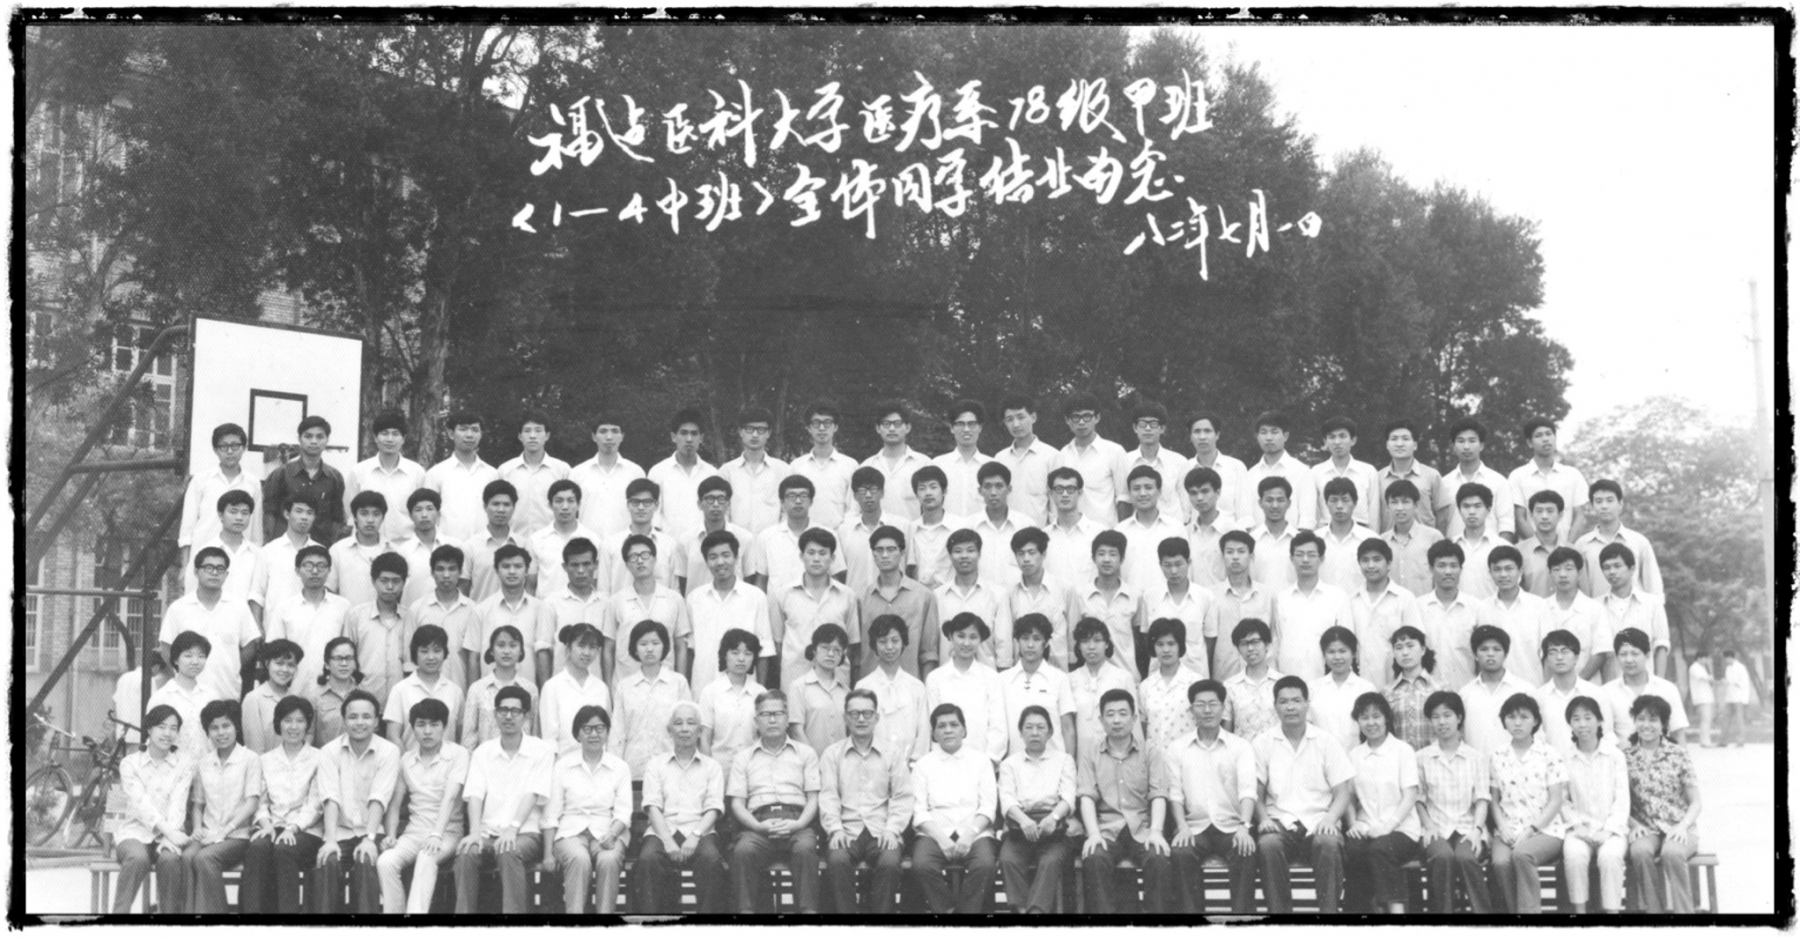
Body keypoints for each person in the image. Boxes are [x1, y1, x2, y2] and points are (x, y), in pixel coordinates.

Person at [1252, 675, 1352, 913]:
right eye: (1284, 701)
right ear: (1275, 706)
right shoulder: (1263, 742)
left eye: (1296, 701)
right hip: (1280, 821)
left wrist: (1330, 819)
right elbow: (1255, 792)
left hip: (1319, 819)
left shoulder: (1326, 742)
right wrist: (1263, 819)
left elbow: (1343, 792)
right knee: (1268, 844)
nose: (1290, 707)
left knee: (1328, 843)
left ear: (1307, 704)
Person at [455, 684, 555, 914]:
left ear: (526, 716)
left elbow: (533, 793)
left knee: (508, 850)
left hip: (525, 833)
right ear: (495, 714)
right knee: (466, 852)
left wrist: (513, 828)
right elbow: (474, 794)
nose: (508, 716)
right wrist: (474, 832)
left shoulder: (541, 750)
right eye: (503, 710)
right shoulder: (483, 752)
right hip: (488, 833)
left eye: (515, 711)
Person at [1163, 678, 1258, 914]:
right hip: (1194, 827)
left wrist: (1244, 826)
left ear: (1223, 708)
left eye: (1213, 704)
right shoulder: (1177, 748)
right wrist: (1182, 827)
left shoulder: (1240, 746)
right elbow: (1175, 794)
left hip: (1232, 826)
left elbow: (1248, 790)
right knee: (1181, 852)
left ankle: (1241, 922)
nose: (1207, 710)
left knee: (1245, 849)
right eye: (1200, 704)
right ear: (1191, 710)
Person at [1077, 689, 1173, 914]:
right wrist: (1093, 834)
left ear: (1134, 717)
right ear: (1101, 720)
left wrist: (1156, 831)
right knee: (1094, 858)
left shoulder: (1150, 752)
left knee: (1158, 858)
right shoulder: (1090, 752)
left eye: (1123, 713)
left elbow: (1158, 794)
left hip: (1142, 828)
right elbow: (1087, 796)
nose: (1116, 720)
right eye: (1110, 714)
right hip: (1107, 829)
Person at [727, 689, 823, 914]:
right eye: (765, 714)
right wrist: (757, 826)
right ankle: (746, 915)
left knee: (806, 849)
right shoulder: (743, 758)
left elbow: (813, 799)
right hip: (758, 825)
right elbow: (737, 804)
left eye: (778, 713)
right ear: (756, 720)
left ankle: (808, 916)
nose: (772, 720)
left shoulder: (806, 753)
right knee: (743, 851)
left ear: (787, 718)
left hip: (797, 822)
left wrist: (799, 824)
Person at [819, 688, 914, 914]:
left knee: (890, 863)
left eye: (867, 713)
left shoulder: (892, 753)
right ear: (845, 718)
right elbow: (829, 796)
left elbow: (902, 796)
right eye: (854, 714)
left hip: (881, 830)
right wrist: (835, 829)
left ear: (876, 717)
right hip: (846, 829)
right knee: (837, 861)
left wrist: (892, 829)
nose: (861, 719)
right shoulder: (832, 754)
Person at [375, 698, 470, 915]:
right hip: (414, 832)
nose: (427, 731)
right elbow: (395, 804)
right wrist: (391, 835)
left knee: (426, 858)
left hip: (447, 833)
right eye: (421, 724)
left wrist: (436, 834)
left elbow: (450, 797)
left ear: (444, 727)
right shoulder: (406, 760)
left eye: (434, 725)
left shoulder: (458, 754)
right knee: (386, 861)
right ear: (413, 727)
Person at [635, 701, 728, 914]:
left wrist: (695, 835)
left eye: (691, 723)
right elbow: (652, 806)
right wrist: (667, 840)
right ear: (669, 730)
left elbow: (714, 807)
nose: (685, 729)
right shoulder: (656, 765)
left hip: (700, 831)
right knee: (648, 860)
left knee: (711, 860)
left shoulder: (711, 767)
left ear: (700, 731)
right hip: (662, 831)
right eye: (678, 723)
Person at [315, 688, 401, 914]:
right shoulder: (329, 751)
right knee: (327, 860)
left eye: (366, 717)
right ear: (344, 721)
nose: (359, 722)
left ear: (376, 721)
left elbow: (379, 797)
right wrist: (330, 840)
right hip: (339, 831)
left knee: (366, 859)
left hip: (372, 830)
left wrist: (370, 838)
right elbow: (330, 797)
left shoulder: (389, 751)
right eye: (353, 717)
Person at [543, 704, 634, 914]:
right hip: (571, 833)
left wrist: (613, 834)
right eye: (587, 729)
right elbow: (551, 814)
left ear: (607, 733)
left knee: (609, 860)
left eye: (600, 728)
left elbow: (623, 812)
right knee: (579, 859)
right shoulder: (563, 766)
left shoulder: (620, 767)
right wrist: (548, 854)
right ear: (577, 734)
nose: (594, 734)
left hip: (608, 830)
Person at [911, 703, 1002, 913]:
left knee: (985, 865)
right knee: (922, 865)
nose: (948, 730)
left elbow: (988, 806)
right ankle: (947, 909)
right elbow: (919, 810)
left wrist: (970, 834)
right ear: (934, 734)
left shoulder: (981, 761)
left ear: (964, 730)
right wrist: (942, 840)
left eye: (954, 724)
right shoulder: (923, 765)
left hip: (974, 831)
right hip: (935, 833)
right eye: (941, 726)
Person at [242, 696, 325, 914]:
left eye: (300, 721)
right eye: (288, 720)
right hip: (273, 826)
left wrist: (292, 828)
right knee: (257, 848)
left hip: (306, 830)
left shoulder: (319, 758)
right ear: (278, 723)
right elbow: (261, 801)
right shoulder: (265, 760)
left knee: (284, 849)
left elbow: (315, 804)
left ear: (307, 725)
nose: (293, 727)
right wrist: (266, 824)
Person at [1486, 693, 1567, 913]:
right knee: (1500, 863)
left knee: (1522, 854)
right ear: (1504, 721)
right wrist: (1502, 827)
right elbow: (1494, 800)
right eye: (1511, 717)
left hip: (1545, 830)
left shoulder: (1549, 754)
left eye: (1524, 717)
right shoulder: (1497, 756)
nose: (1518, 722)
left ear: (1535, 721)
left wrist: (1531, 830)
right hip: (1508, 829)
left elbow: (1556, 801)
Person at [1341, 692, 1420, 915]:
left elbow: (1410, 795)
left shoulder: (1403, 750)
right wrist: (1353, 823)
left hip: (1402, 830)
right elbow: (1348, 796)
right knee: (1353, 851)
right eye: (1364, 717)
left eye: (1376, 716)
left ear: (1387, 718)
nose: (1371, 722)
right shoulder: (1355, 755)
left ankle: (1395, 911)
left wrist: (1387, 827)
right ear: (1358, 721)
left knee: (1380, 849)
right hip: (1366, 827)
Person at [1414, 691, 1492, 913]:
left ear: (1459, 718)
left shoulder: (1476, 757)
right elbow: (1418, 800)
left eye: (1447, 715)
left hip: (1468, 827)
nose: (1442, 722)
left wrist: (1477, 830)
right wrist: (1428, 825)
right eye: (1435, 717)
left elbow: (1482, 799)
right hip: (1435, 827)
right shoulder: (1422, 757)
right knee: (1442, 856)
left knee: (1465, 857)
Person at [1623, 695, 1703, 913]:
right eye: (1641, 719)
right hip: (1645, 828)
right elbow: (1618, 801)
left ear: (1664, 724)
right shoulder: (1625, 757)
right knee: (1640, 852)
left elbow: (1696, 802)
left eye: (1653, 720)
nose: (1646, 725)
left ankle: (1684, 915)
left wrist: (1683, 826)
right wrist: (1633, 824)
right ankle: (1654, 913)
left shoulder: (1678, 754)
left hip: (1679, 827)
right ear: (1634, 721)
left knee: (1672, 853)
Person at [998, 705, 1078, 914]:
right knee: (1008, 860)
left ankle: (1035, 912)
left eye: (1041, 727)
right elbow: (1006, 798)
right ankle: (1023, 911)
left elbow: (1068, 796)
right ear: (1020, 732)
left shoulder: (1064, 760)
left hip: (1054, 827)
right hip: (1020, 826)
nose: (1035, 733)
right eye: (1029, 727)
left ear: (1050, 732)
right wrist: (1023, 820)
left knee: (1050, 862)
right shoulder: (1009, 764)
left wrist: (1054, 817)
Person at [112, 704, 192, 913]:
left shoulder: (183, 764)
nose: (167, 733)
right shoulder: (130, 764)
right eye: (161, 727)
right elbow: (141, 805)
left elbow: (178, 803)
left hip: (170, 834)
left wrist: (169, 837)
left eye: (173, 728)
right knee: (137, 858)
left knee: (170, 860)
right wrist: (169, 832)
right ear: (149, 729)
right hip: (134, 832)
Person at [159, 547, 260, 702]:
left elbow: (251, 645)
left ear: (226, 574)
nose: (214, 573)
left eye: (220, 569)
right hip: (188, 696)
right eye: (208, 568)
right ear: (196, 572)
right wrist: (181, 674)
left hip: (227, 695)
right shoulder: (178, 608)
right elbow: (166, 648)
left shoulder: (238, 607)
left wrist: (233, 666)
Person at [1560, 695, 1629, 914]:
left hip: (1612, 829)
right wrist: (1576, 825)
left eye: (1588, 718)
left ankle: (1612, 913)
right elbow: (1562, 799)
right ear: (1570, 724)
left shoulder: (1615, 756)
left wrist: (1609, 830)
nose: (1582, 724)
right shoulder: (1565, 758)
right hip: (1579, 828)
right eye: (1576, 719)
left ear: (1599, 721)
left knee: (1610, 857)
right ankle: (1580, 913)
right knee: (1575, 857)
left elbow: (1622, 798)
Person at [768, 525, 859, 687]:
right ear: (801, 556)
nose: (816, 559)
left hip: (836, 681)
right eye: (811, 553)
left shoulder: (847, 595)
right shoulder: (783, 594)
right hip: (794, 679)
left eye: (823, 553)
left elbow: (852, 644)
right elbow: (778, 644)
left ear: (833, 558)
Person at [687, 533, 775, 692]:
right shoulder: (695, 598)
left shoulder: (755, 597)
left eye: (726, 555)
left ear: (736, 558)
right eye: (713, 557)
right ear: (706, 561)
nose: (720, 562)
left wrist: (759, 692)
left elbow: (764, 649)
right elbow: (690, 649)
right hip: (703, 686)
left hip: (745, 690)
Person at [612, 619, 695, 780]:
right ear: (635, 649)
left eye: (655, 643)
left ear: (664, 646)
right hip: (634, 771)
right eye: (643, 644)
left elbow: (688, 729)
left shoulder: (678, 683)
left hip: (672, 770)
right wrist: (616, 774)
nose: (649, 649)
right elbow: (617, 734)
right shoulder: (625, 687)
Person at [923, 612, 1008, 764]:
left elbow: (998, 726)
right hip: (945, 764)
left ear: (980, 640)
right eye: (961, 636)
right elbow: (933, 725)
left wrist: (988, 762)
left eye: (973, 637)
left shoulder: (991, 677)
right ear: (950, 636)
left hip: (983, 763)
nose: (967, 643)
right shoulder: (935, 678)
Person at [466, 544, 554, 689]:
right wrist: (473, 695)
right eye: (506, 566)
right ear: (497, 570)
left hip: (528, 692)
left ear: (527, 570)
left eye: (518, 566)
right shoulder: (481, 610)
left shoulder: (540, 608)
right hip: (490, 693)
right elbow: (473, 658)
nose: (512, 571)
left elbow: (543, 657)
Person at [606, 533, 691, 684]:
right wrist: (609, 689)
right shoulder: (615, 602)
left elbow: (681, 647)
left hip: (666, 685)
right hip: (626, 684)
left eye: (645, 555)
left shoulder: (675, 599)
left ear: (654, 559)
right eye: (633, 557)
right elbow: (608, 649)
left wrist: (680, 683)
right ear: (626, 564)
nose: (640, 561)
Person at [859, 525, 940, 679]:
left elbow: (929, 653)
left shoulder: (923, 596)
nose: (885, 555)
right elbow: (859, 652)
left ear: (902, 553)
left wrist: (926, 688)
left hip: (910, 683)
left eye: (891, 549)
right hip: (871, 685)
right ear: (873, 554)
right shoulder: (863, 597)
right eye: (879, 550)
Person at [179, 422, 263, 570]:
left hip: (241, 561)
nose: (230, 451)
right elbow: (187, 529)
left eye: (235, 446)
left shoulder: (253, 483)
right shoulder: (200, 480)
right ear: (215, 450)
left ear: (244, 448)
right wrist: (185, 567)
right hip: (204, 562)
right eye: (224, 446)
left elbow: (256, 531)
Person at [1273, 532, 1354, 681]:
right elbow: (1277, 642)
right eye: (1299, 555)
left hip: (1327, 681)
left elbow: (1347, 642)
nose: (1305, 560)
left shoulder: (1337, 597)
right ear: (1291, 559)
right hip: (1289, 679)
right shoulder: (1282, 598)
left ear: (1321, 559)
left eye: (1311, 555)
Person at [340, 551, 415, 709]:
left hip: (401, 703)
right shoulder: (356, 616)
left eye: (396, 581)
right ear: (373, 581)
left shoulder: (410, 617)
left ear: (404, 583)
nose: (390, 587)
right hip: (364, 701)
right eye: (384, 580)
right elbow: (346, 657)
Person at [856, 614, 932, 763]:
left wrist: (915, 764)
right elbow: (859, 730)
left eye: (895, 640)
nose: (889, 647)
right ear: (874, 645)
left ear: (903, 643)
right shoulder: (863, 687)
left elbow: (923, 732)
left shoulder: (916, 687)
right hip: (873, 765)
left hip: (910, 766)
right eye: (882, 641)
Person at [263, 415, 348, 546]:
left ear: (327, 440)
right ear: (299, 439)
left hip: (321, 548)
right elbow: (269, 514)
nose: (314, 441)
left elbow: (338, 519)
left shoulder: (334, 477)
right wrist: (270, 545)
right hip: (285, 549)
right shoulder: (281, 474)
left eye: (320, 437)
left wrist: (332, 546)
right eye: (308, 436)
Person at [345, 411, 428, 543]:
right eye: (384, 433)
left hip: (405, 545)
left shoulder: (417, 472)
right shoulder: (359, 471)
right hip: (369, 545)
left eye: (395, 434)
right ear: (375, 437)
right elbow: (349, 512)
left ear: (403, 439)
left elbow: (423, 511)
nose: (390, 439)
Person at [1000, 614, 1077, 757]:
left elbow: (1068, 728)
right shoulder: (1002, 679)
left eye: (1036, 639)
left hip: (1054, 762)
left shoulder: (1059, 678)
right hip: (1015, 763)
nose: (1030, 645)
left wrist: (1070, 764)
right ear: (1017, 641)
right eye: (1025, 638)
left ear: (1046, 643)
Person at [936, 529, 1013, 670]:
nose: (964, 556)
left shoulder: (997, 594)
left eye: (970, 550)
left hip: (986, 674)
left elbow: (1004, 643)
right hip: (947, 675)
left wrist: (1002, 675)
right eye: (958, 551)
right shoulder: (938, 595)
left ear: (979, 554)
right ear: (950, 556)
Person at [1348, 537, 1423, 683]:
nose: (1371, 565)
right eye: (1365, 560)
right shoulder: (1351, 600)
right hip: (1360, 682)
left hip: (1397, 682)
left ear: (1388, 563)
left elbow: (1415, 643)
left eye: (1377, 560)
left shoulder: (1404, 598)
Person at [1208, 530, 1279, 681]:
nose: (1235, 557)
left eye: (1241, 551)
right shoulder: (1211, 595)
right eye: (1229, 552)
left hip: (1262, 676)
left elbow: (1274, 635)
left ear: (1251, 556)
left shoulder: (1267, 595)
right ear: (1223, 556)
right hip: (1225, 675)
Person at [1008, 527, 1083, 669]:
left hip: (1058, 670)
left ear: (1043, 554)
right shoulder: (1011, 593)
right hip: (1022, 671)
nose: (1026, 559)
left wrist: (1072, 665)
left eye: (1032, 553)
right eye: (1020, 554)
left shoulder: (1065, 589)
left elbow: (1073, 636)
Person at [1576, 480, 1663, 599]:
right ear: (1592, 506)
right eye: (1598, 501)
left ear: (1620, 504)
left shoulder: (1639, 542)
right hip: (1598, 609)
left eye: (1610, 500)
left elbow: (1654, 587)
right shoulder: (1582, 545)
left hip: (1634, 609)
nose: (1604, 506)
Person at [1457, 625, 1536, 756]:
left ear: (1505, 654)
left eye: (1497, 649)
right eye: (1484, 649)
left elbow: (1537, 734)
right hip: (1477, 765)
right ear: (1475, 655)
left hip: (1515, 765)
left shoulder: (1524, 690)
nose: (1490, 654)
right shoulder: (1465, 693)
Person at [382, 625, 464, 751]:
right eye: (424, 651)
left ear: (445, 653)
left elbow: (460, 736)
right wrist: (408, 761)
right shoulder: (400, 690)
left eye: (437, 651)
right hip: (410, 761)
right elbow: (393, 736)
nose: (431, 657)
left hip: (448, 762)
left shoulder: (455, 691)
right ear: (415, 653)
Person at [422, 410, 500, 542]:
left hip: (485, 546)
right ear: (451, 434)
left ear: (481, 435)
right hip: (448, 547)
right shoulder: (436, 473)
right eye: (463, 429)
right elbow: (428, 513)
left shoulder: (492, 474)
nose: (469, 435)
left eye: (475, 430)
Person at [699, 629, 769, 775]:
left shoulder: (760, 692)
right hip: (719, 768)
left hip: (753, 768)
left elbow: (765, 735)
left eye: (748, 653)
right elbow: (705, 737)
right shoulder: (710, 691)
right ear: (725, 655)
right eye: (735, 653)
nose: (741, 659)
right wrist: (709, 771)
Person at [567, 411, 646, 540]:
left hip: (626, 544)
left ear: (622, 436)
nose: (609, 437)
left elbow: (643, 511)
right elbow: (570, 514)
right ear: (594, 436)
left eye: (615, 431)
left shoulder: (636, 472)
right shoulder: (577, 473)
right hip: (588, 546)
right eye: (603, 431)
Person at [1601, 628, 1688, 744]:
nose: (1629, 660)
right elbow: (1604, 736)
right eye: (1623, 654)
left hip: (1661, 754)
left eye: (1635, 654)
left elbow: (1678, 733)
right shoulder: (1606, 693)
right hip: (1621, 755)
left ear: (1647, 655)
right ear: (1616, 657)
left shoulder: (1667, 689)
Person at [538, 623, 612, 759]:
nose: (587, 652)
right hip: (564, 764)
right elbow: (549, 739)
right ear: (568, 648)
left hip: (597, 765)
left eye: (592, 647)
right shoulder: (552, 687)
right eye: (581, 646)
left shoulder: (601, 688)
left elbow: (607, 734)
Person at [1508, 417, 1589, 541]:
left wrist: (1568, 547)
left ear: (1555, 438)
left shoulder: (1573, 475)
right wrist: (1538, 547)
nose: (1545, 439)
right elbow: (1519, 518)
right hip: (1529, 550)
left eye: (1549, 434)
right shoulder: (1517, 476)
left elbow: (1579, 516)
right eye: (1538, 436)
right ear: (1529, 443)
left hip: (1567, 549)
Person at [1596, 543, 1673, 675]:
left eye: (1617, 566)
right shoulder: (1596, 606)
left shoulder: (1652, 603)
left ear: (1632, 569)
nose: (1612, 572)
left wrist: (1658, 683)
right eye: (1606, 567)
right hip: (1608, 684)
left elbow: (1661, 645)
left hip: (1645, 683)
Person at [251, 493, 326, 625]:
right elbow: (257, 595)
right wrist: (257, 628)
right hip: (275, 627)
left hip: (310, 626)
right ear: (287, 514)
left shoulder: (321, 552)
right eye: (299, 511)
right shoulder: (269, 551)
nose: (304, 517)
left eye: (309, 513)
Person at [1080, 530, 1146, 679]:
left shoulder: (1135, 595)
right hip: (1092, 677)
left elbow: (1140, 641)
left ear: (1122, 559)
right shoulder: (1081, 595)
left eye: (1113, 554)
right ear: (1093, 558)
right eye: (1101, 554)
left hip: (1127, 676)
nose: (1106, 559)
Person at [1435, 418, 1514, 543]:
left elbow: (1506, 524)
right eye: (1461, 441)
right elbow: (1440, 524)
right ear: (1453, 446)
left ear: (1481, 445)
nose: (1466, 447)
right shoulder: (1444, 483)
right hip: (1454, 551)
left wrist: (1501, 552)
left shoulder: (1498, 481)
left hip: (1491, 551)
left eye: (1472, 441)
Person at [410, 544, 478, 691]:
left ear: (460, 572)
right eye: (440, 569)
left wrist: (471, 696)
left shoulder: (473, 610)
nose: (446, 575)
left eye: (452, 569)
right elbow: (409, 659)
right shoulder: (417, 609)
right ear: (432, 572)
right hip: (423, 692)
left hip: (460, 690)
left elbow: (473, 659)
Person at [1054, 392, 1127, 525]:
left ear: (1097, 418)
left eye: (1087, 416)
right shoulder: (1062, 455)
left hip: (1105, 532)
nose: (1081, 422)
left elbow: (1124, 498)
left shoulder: (1114, 452)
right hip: (1072, 531)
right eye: (1076, 417)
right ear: (1067, 420)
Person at [1484, 545, 1552, 685]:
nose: (1503, 575)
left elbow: (1548, 654)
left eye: (1509, 569)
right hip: (1495, 688)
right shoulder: (1483, 608)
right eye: (1497, 569)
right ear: (1490, 573)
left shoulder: (1539, 606)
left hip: (1532, 687)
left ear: (1520, 571)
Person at [647, 407, 719, 537]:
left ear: (701, 438)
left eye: (694, 434)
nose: (689, 439)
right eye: (684, 433)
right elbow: (654, 517)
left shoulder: (712, 474)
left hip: (704, 544)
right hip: (670, 545)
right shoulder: (658, 472)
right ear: (673, 437)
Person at [460, 627, 538, 748]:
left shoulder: (530, 689)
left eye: (513, 645)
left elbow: (535, 733)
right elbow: (468, 738)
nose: (506, 651)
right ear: (491, 650)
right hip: (486, 758)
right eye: (501, 645)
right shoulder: (477, 689)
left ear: (521, 651)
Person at [1536, 629, 1614, 748]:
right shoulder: (1538, 697)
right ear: (1547, 659)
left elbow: (1607, 737)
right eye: (1553, 652)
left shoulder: (1596, 694)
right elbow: (1536, 740)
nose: (1559, 657)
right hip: (1551, 759)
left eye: (1565, 651)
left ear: (1576, 657)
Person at [499, 411, 572, 538]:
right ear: (520, 436)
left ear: (547, 435)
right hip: (514, 541)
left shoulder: (562, 470)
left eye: (538, 431)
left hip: (552, 541)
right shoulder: (505, 470)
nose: (532, 436)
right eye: (527, 431)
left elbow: (570, 508)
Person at [147, 630, 219, 758]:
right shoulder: (162, 697)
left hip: (207, 767)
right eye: (188, 656)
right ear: (176, 660)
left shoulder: (211, 696)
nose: (195, 661)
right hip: (172, 767)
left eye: (201, 656)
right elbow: (152, 741)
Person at [1115, 465, 1185, 597]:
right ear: (1129, 493)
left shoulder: (1175, 528)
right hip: (1130, 602)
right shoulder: (1120, 531)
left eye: (1148, 487)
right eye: (1136, 488)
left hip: (1166, 601)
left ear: (1159, 491)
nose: (1142, 493)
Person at [1139, 618, 1206, 753]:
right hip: (1155, 758)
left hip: (1187, 756)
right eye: (1160, 644)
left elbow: (1204, 724)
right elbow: (1142, 726)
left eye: (1171, 644)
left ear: (1180, 645)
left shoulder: (1196, 682)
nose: (1166, 650)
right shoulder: (1146, 686)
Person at [1242, 409, 1317, 531]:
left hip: (1293, 540)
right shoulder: (1250, 475)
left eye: (1274, 432)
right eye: (1263, 432)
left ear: (1285, 436)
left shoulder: (1302, 471)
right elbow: (1246, 519)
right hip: (1257, 540)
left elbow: (1307, 520)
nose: (1268, 438)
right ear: (1257, 437)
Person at [1118, 400, 1191, 523]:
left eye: (1153, 424)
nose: (1148, 428)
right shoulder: (1125, 461)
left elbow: (1186, 504)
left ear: (1162, 428)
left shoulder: (1179, 462)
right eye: (1142, 424)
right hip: (1139, 530)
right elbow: (1124, 500)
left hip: (1173, 529)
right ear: (1135, 428)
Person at [527, 480, 601, 600]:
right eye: (559, 501)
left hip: (581, 607)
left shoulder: (592, 539)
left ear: (578, 505)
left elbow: (595, 581)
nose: (565, 507)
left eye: (570, 501)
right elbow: (530, 586)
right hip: (545, 607)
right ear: (550, 505)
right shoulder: (536, 540)